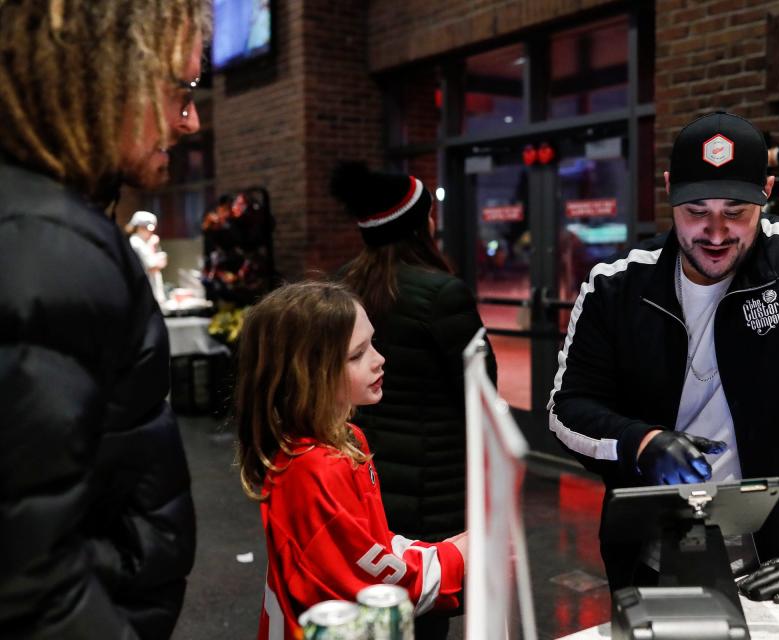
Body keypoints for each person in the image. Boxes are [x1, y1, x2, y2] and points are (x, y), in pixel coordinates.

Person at [547, 111, 779, 601]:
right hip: (652, 559)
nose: (715, 234)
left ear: (768, 190)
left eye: (735, 211)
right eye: (696, 211)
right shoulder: (617, 287)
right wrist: (641, 441)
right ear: (669, 189)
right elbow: (568, 411)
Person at [0, 2, 208, 637]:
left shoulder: (48, 222)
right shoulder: (49, 245)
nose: (191, 121)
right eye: (183, 89)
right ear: (106, 74)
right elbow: (28, 587)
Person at [234, 281, 467, 640]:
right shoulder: (314, 468)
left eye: (372, 344)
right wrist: (456, 558)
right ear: (307, 373)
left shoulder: (345, 438)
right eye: (357, 355)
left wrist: (444, 550)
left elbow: (370, 545)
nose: (379, 359)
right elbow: (364, 580)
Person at [334, 161, 497, 543]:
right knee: (439, 577)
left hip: (363, 463)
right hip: (438, 478)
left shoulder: (341, 284)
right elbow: (480, 389)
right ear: (417, 226)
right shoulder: (442, 293)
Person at [127, 210, 169, 306]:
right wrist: (153, 247)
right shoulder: (136, 243)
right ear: (140, 228)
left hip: (151, 292)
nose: (151, 232)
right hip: (144, 293)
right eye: (148, 229)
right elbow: (153, 265)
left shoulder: (146, 242)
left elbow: (163, 262)